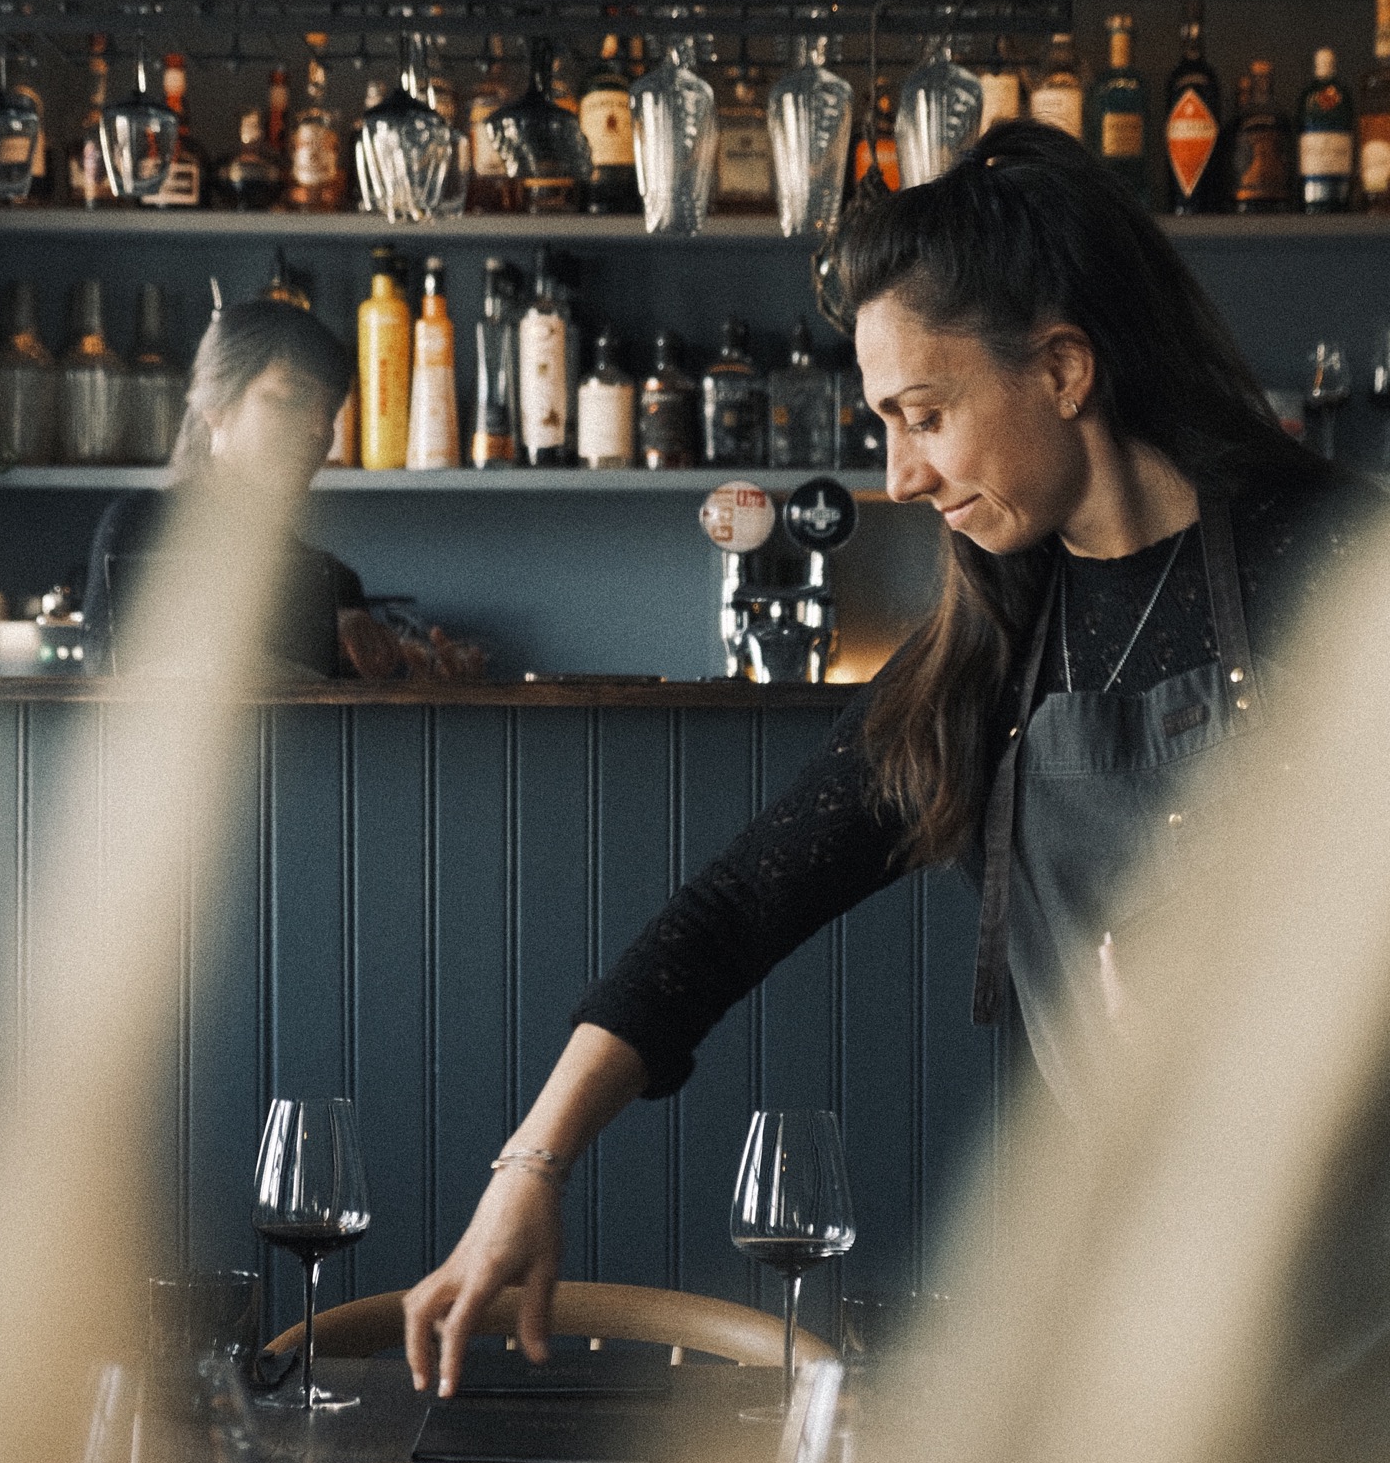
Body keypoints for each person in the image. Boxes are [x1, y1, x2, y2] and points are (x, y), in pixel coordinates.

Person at [402, 120, 1384, 1395]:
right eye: (885, 424)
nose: (901, 475)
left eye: (924, 416)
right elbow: (734, 910)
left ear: (1064, 368)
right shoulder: (984, 661)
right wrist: (531, 1168)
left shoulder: (1339, 569)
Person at [83, 298, 473, 681]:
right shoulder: (140, 526)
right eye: (291, 399)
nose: (321, 431)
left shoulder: (335, 583)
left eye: (331, 412)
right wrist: (317, 630)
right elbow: (130, 678)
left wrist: (421, 688)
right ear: (215, 406)